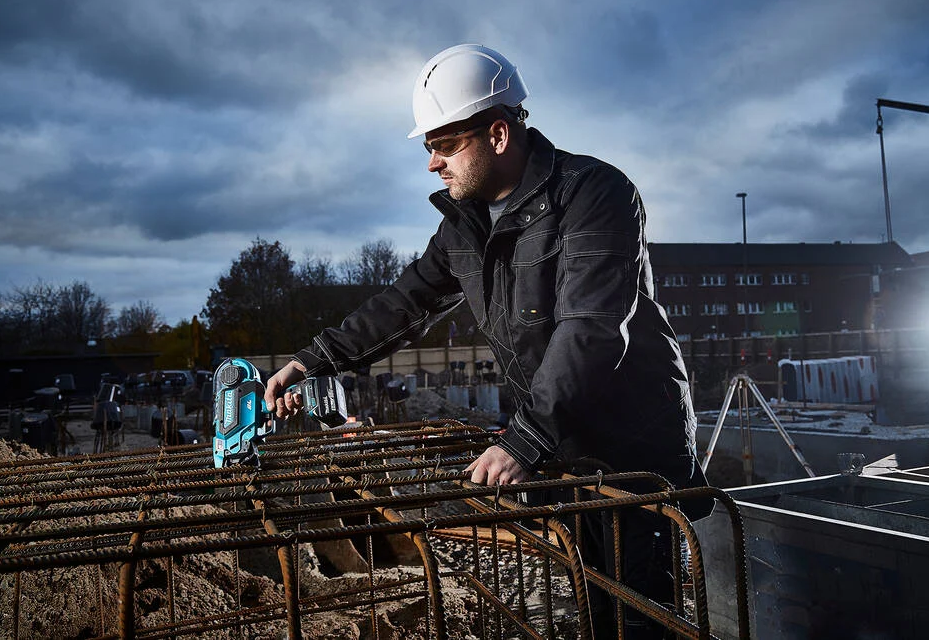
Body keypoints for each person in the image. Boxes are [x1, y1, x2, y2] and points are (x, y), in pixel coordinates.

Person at [265, 43, 711, 639]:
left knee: (645, 615)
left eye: (445, 145)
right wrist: (311, 361)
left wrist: (524, 441)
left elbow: (593, 329)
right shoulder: (466, 225)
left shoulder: (594, 195)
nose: (432, 164)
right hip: (565, 448)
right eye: (428, 147)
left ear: (498, 136)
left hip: (633, 452)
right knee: (597, 606)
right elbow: (405, 303)